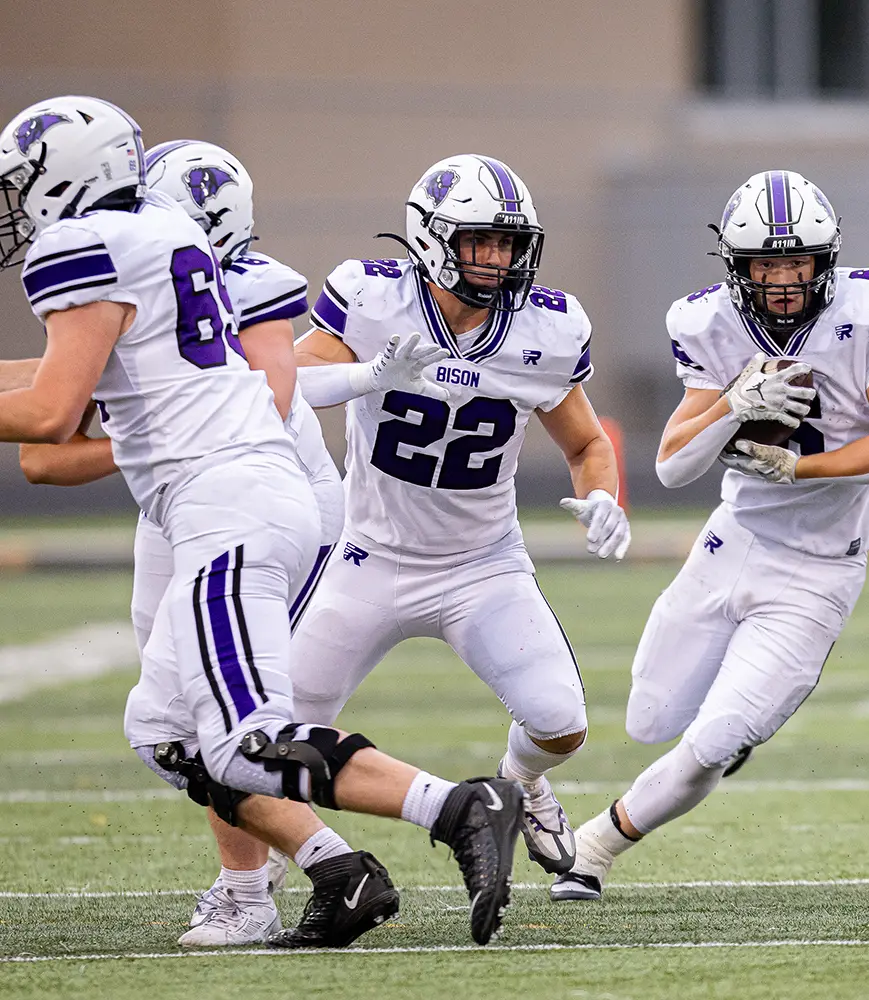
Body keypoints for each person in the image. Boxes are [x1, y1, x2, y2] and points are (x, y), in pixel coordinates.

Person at [0, 97, 524, 950]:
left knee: (247, 743)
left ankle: (459, 806)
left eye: (22, 184)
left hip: (225, 504)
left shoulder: (86, 244)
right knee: (166, 733)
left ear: (66, 176)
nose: (18, 205)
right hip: (237, 495)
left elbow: (53, 413)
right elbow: (64, 379)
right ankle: (339, 872)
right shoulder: (160, 232)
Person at [551, 169, 869, 901]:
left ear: (828, 259)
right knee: (649, 717)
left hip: (820, 567)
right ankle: (729, 735)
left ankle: (593, 849)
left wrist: (799, 466)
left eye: (798, 262)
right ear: (737, 266)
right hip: (733, 541)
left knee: (714, 740)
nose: (783, 281)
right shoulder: (707, 322)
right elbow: (671, 467)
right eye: (765, 264)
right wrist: (733, 403)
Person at [289, 153, 630, 880]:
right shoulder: (373, 298)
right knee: (273, 731)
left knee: (561, 723)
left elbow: (587, 443)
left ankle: (521, 782)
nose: (496, 259)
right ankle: (259, 879)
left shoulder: (546, 328)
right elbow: (284, 382)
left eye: (507, 243)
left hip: (482, 564)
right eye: (479, 241)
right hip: (367, 556)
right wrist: (366, 376)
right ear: (430, 236)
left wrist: (604, 495)